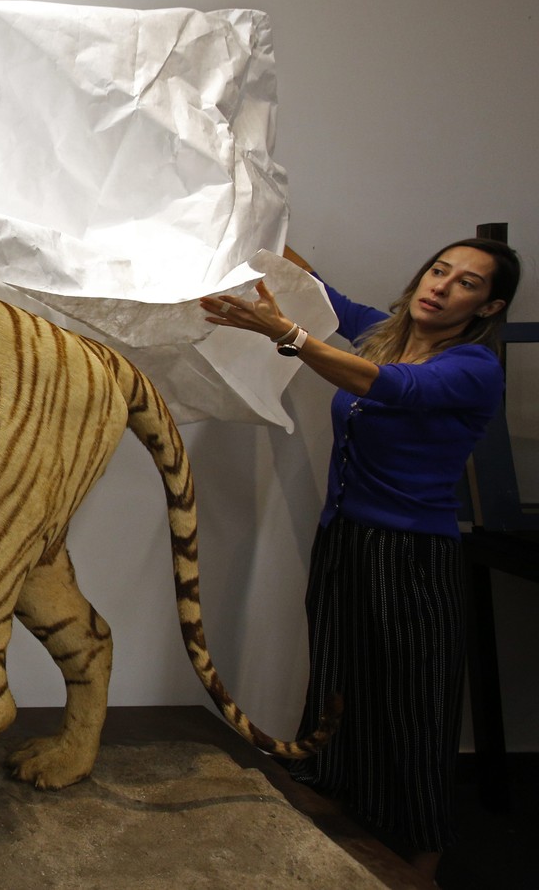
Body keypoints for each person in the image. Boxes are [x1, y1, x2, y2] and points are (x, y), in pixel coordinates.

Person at [201, 238, 522, 882]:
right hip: (344, 537)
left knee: (415, 704)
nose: (441, 286)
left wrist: (286, 334)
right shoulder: (387, 332)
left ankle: (422, 861)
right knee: (338, 682)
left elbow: (385, 386)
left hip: (413, 553)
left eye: (465, 282)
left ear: (489, 305)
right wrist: (258, 222)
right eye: (438, 269)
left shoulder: (472, 366)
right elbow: (324, 295)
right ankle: (334, 815)